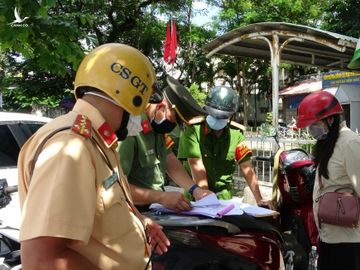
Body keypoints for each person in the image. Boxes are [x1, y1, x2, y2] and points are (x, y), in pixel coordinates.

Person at [17, 43, 170, 270]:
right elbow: (43, 260)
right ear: (130, 100)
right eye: (142, 105)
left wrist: (139, 222)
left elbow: (101, 211)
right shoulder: (72, 146)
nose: (140, 116)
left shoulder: (97, 141)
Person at [118, 75, 212, 212]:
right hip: (131, 212)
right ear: (161, 108)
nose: (172, 127)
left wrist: (196, 190)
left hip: (154, 210)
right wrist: (161, 197)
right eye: (173, 120)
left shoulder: (157, 129)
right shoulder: (131, 130)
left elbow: (170, 162)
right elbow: (117, 186)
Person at [177, 85, 274, 209]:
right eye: (213, 114)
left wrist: (259, 199)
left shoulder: (236, 135)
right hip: (196, 200)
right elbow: (197, 167)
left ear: (230, 116)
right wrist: (206, 199)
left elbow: (246, 167)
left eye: (222, 116)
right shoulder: (192, 131)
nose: (217, 119)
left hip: (224, 200)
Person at [296, 91, 360, 270]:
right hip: (329, 237)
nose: (311, 130)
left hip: (348, 242)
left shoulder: (350, 143)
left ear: (330, 120)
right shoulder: (330, 143)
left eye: (313, 125)